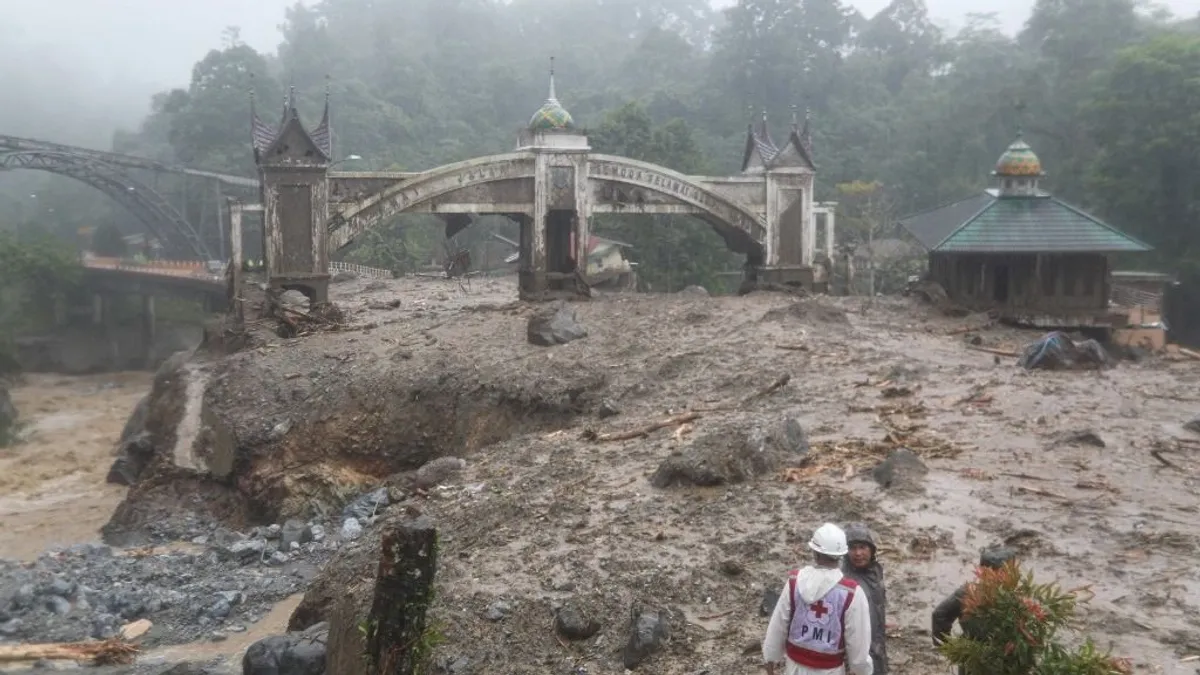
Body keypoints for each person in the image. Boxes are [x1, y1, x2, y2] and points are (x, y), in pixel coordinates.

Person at [763, 523, 874, 675]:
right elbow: (858, 643)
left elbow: (778, 625)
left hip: (794, 668)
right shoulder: (852, 593)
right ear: (842, 555)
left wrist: (770, 658)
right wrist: (861, 670)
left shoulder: (794, 582)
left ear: (814, 553)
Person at [931, 546, 1018, 648]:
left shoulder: (966, 592)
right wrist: (947, 648)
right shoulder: (1014, 598)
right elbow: (940, 615)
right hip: (987, 655)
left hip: (972, 652)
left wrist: (947, 647)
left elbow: (940, 615)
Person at [841, 523, 888, 675]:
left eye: (862, 547)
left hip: (877, 645)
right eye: (852, 548)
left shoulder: (876, 572)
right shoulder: (845, 583)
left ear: (872, 550)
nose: (858, 553)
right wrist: (849, 665)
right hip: (858, 656)